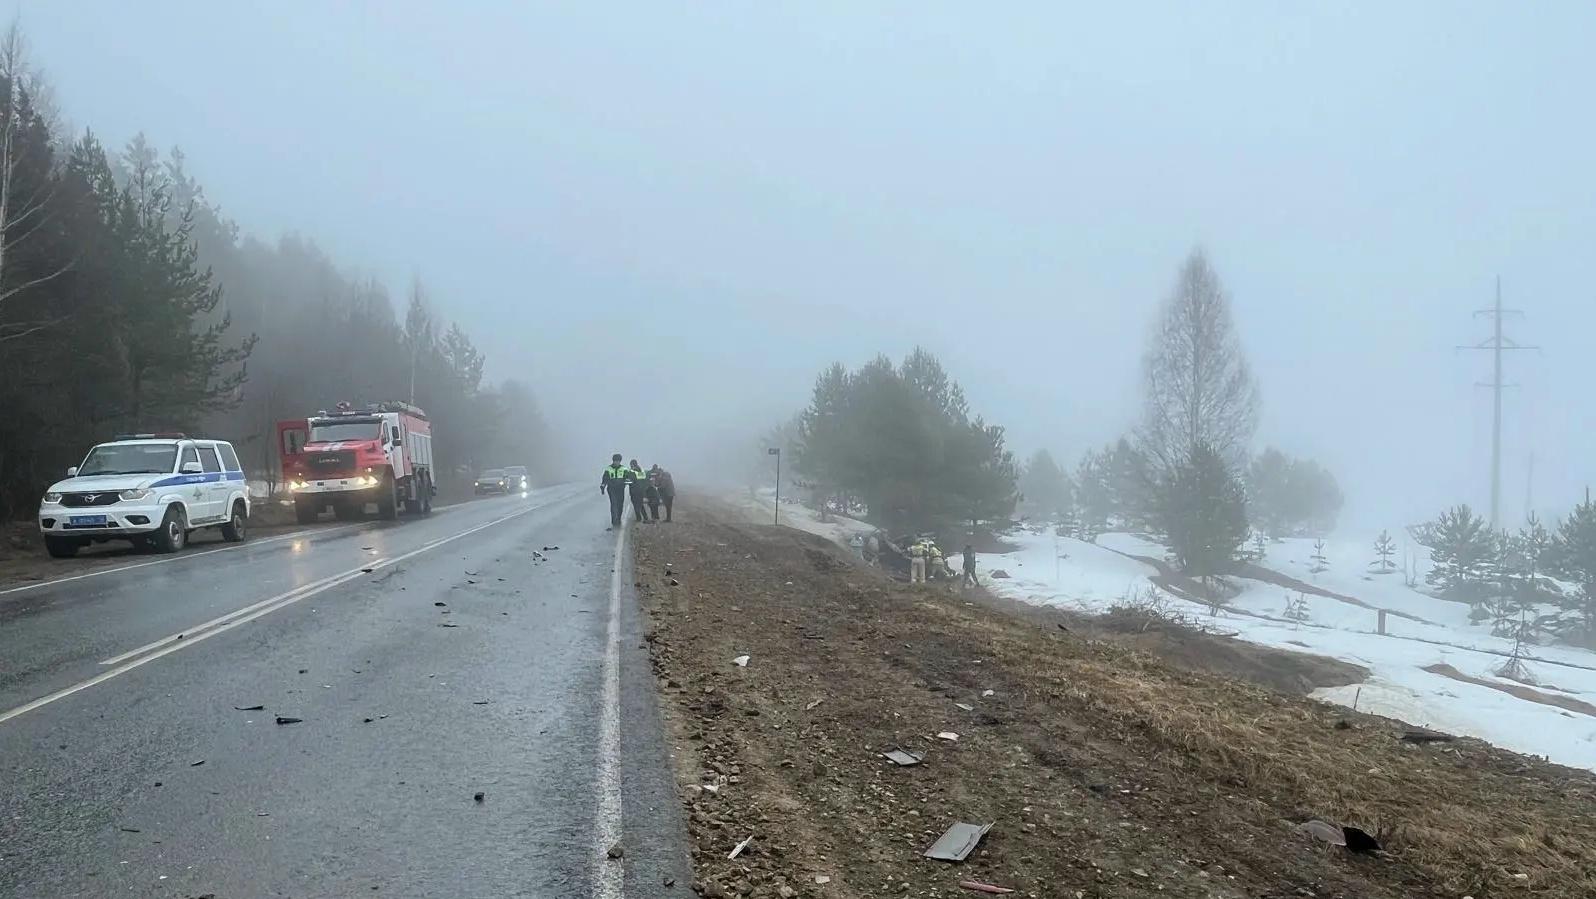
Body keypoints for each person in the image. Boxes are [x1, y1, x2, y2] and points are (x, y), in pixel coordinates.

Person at [600, 454, 631, 529]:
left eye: (618, 461)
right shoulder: (608, 469)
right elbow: (605, 479)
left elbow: (628, 477)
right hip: (611, 489)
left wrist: (628, 481)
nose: (616, 462)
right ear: (613, 461)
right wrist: (603, 487)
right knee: (614, 504)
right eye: (615, 461)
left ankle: (618, 519)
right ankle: (614, 521)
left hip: (620, 489)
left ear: (620, 461)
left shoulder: (624, 469)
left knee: (620, 505)